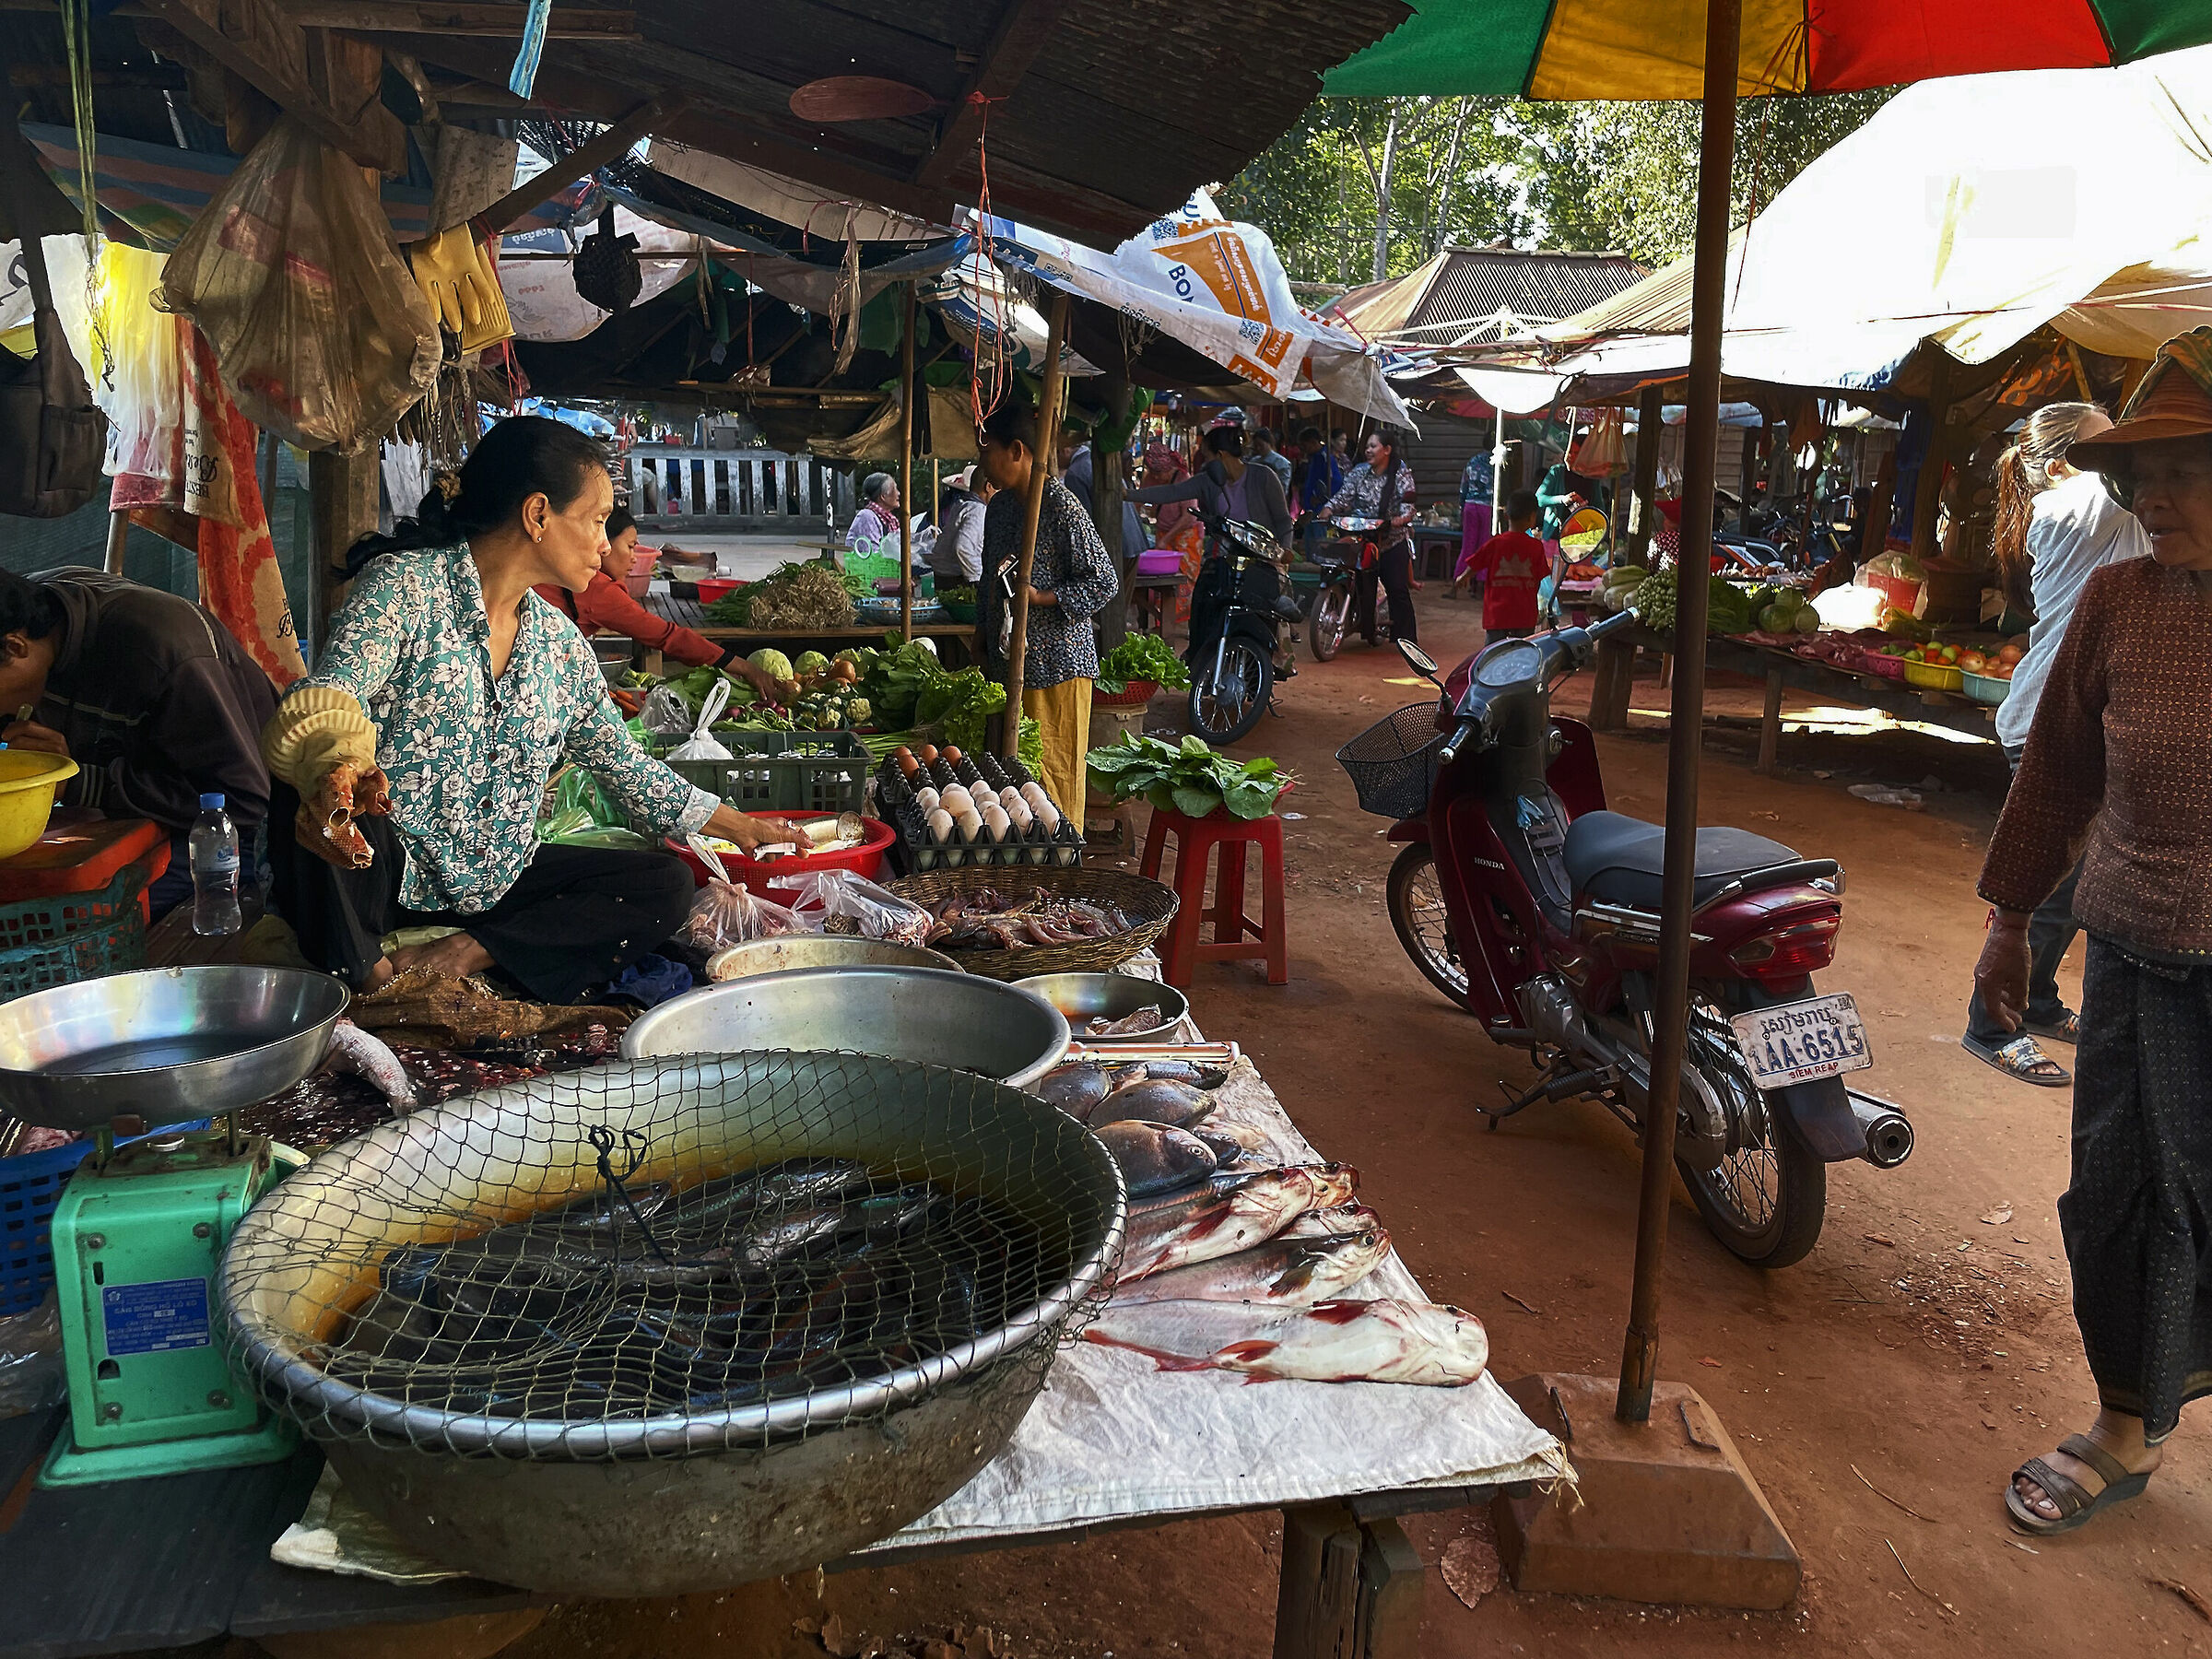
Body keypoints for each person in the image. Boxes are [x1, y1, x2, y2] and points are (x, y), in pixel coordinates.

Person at [261, 417, 788, 1004]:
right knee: (318, 795)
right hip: (380, 870)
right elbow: (336, 694)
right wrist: (340, 760)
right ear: (538, 514)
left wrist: (745, 829)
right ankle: (366, 974)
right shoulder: (406, 587)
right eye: (594, 522)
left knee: (662, 884)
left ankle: (471, 949)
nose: (602, 544)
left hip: (493, 879)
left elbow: (629, 771)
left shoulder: (559, 646)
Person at [1974, 331, 2212, 1537]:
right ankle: (2127, 1427)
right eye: (2138, 474)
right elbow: (2058, 777)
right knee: (2118, 1195)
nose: (2150, 499)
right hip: (2127, 952)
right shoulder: (2122, 599)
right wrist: (2010, 921)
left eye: (2182, 470)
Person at [1960, 403, 2147, 1086]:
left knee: (2067, 891)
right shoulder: (2075, 501)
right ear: (2066, 463)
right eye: (2112, 443)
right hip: (2051, 721)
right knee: (2040, 889)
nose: (2128, 450)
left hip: (2080, 715)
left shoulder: (2101, 503)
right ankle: (1988, 1027)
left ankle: (2035, 1003)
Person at [0, 567, 277, 919]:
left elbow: (246, 802)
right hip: (126, 814)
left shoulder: (165, 652)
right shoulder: (33, 608)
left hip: (229, 836)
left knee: (75, 916)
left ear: (15, 646)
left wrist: (79, 783)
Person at [976, 401, 1118, 820]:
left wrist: (1043, 598)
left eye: (987, 450)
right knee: (1012, 788)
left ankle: (1060, 867)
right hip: (1007, 665)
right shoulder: (999, 509)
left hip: (1057, 670)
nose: (980, 460)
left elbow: (1103, 582)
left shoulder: (1062, 508)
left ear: (1016, 451)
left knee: (1051, 784)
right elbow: (989, 580)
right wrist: (980, 638)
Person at [533, 506, 779, 686]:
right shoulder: (596, 588)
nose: (633, 558)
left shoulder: (566, 568)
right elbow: (668, 636)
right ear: (604, 543)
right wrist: (745, 667)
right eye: (630, 547)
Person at [1127, 423, 1293, 550]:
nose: (1205, 463)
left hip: (1264, 559)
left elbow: (1283, 520)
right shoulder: (1208, 481)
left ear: (1220, 455)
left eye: (1207, 457)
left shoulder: (1263, 476)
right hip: (1226, 558)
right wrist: (1128, 495)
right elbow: (1171, 492)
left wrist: (1285, 550)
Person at [1322, 429, 1418, 645]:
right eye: (1367, 446)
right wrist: (1328, 509)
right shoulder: (1359, 472)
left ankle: (1407, 641)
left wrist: (1398, 520)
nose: (1368, 450)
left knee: (1397, 588)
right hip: (1360, 536)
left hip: (1390, 540)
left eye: (1373, 446)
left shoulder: (1401, 473)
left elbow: (1409, 505)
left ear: (1387, 450)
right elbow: (1343, 496)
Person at [1459, 490, 1548, 642]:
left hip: (1497, 614)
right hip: (1524, 613)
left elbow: (1475, 564)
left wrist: (1463, 577)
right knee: (1524, 654)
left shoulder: (1495, 543)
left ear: (1506, 515)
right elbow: (1539, 577)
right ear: (1532, 517)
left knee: (1492, 656)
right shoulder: (1536, 546)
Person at [929, 466, 993, 589]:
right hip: (955, 580)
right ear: (988, 487)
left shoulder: (962, 505)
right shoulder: (978, 510)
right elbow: (963, 548)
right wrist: (978, 580)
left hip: (942, 575)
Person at [1295, 426, 1345, 557]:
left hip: (1320, 509)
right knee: (1310, 544)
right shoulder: (1315, 458)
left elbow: (1336, 482)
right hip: (1311, 509)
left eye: (1304, 446)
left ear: (1312, 442)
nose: (1303, 450)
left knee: (1320, 545)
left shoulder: (1325, 458)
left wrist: (1323, 498)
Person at [1458, 447, 1498, 587]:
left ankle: (1459, 581)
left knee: (1467, 546)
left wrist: (1462, 508)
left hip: (1470, 505)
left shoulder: (1472, 461)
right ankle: (1480, 584)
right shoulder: (1497, 462)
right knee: (1484, 545)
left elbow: (1464, 487)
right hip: (1486, 506)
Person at [846, 472, 900, 550]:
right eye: (894, 489)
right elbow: (872, 553)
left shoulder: (890, 519)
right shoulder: (867, 517)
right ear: (883, 496)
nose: (898, 493)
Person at [1251, 426, 1294, 497]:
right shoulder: (1253, 461)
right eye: (1256, 445)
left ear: (1269, 443)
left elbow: (1283, 489)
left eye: (1261, 445)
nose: (1258, 448)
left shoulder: (1282, 463)